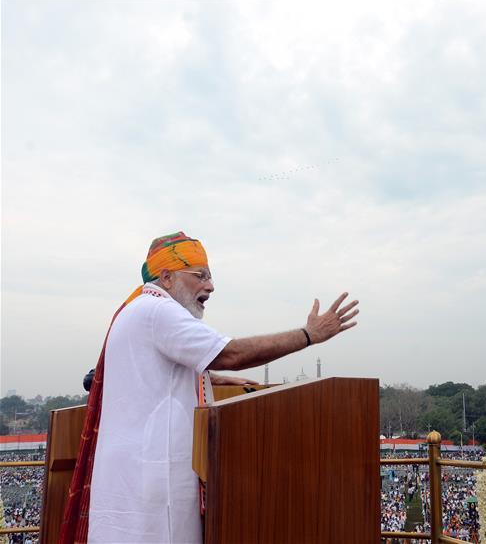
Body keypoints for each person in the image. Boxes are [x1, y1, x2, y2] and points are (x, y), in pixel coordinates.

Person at [60, 232, 359, 544]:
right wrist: (309, 334)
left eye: (210, 276)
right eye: (200, 276)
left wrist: (210, 377)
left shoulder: (135, 310)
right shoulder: (158, 310)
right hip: (153, 490)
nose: (210, 286)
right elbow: (232, 353)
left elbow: (149, 371)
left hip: (131, 483)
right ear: (166, 277)